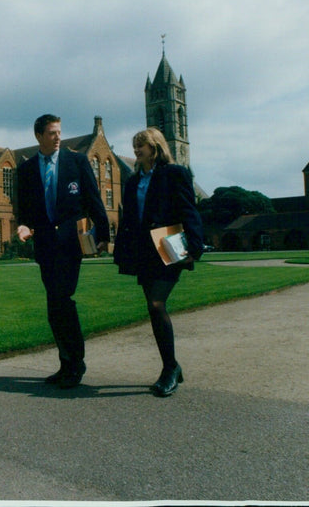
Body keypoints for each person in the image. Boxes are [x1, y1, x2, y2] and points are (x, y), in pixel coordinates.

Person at [16, 114, 110, 388]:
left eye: (59, 132)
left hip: (70, 243)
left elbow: (93, 199)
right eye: (51, 133)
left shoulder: (76, 161)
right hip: (45, 243)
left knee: (62, 298)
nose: (58, 137)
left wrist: (102, 234)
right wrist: (23, 226)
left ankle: (75, 364)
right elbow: (24, 210)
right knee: (54, 303)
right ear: (39, 136)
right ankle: (66, 363)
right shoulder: (27, 169)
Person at [113, 127, 203, 397]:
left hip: (169, 245)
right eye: (135, 144)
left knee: (156, 303)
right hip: (143, 251)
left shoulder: (174, 173)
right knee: (153, 308)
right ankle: (172, 366)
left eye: (141, 144)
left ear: (155, 147)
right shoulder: (131, 180)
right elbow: (128, 219)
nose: (136, 149)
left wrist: (194, 247)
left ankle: (168, 370)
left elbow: (189, 209)